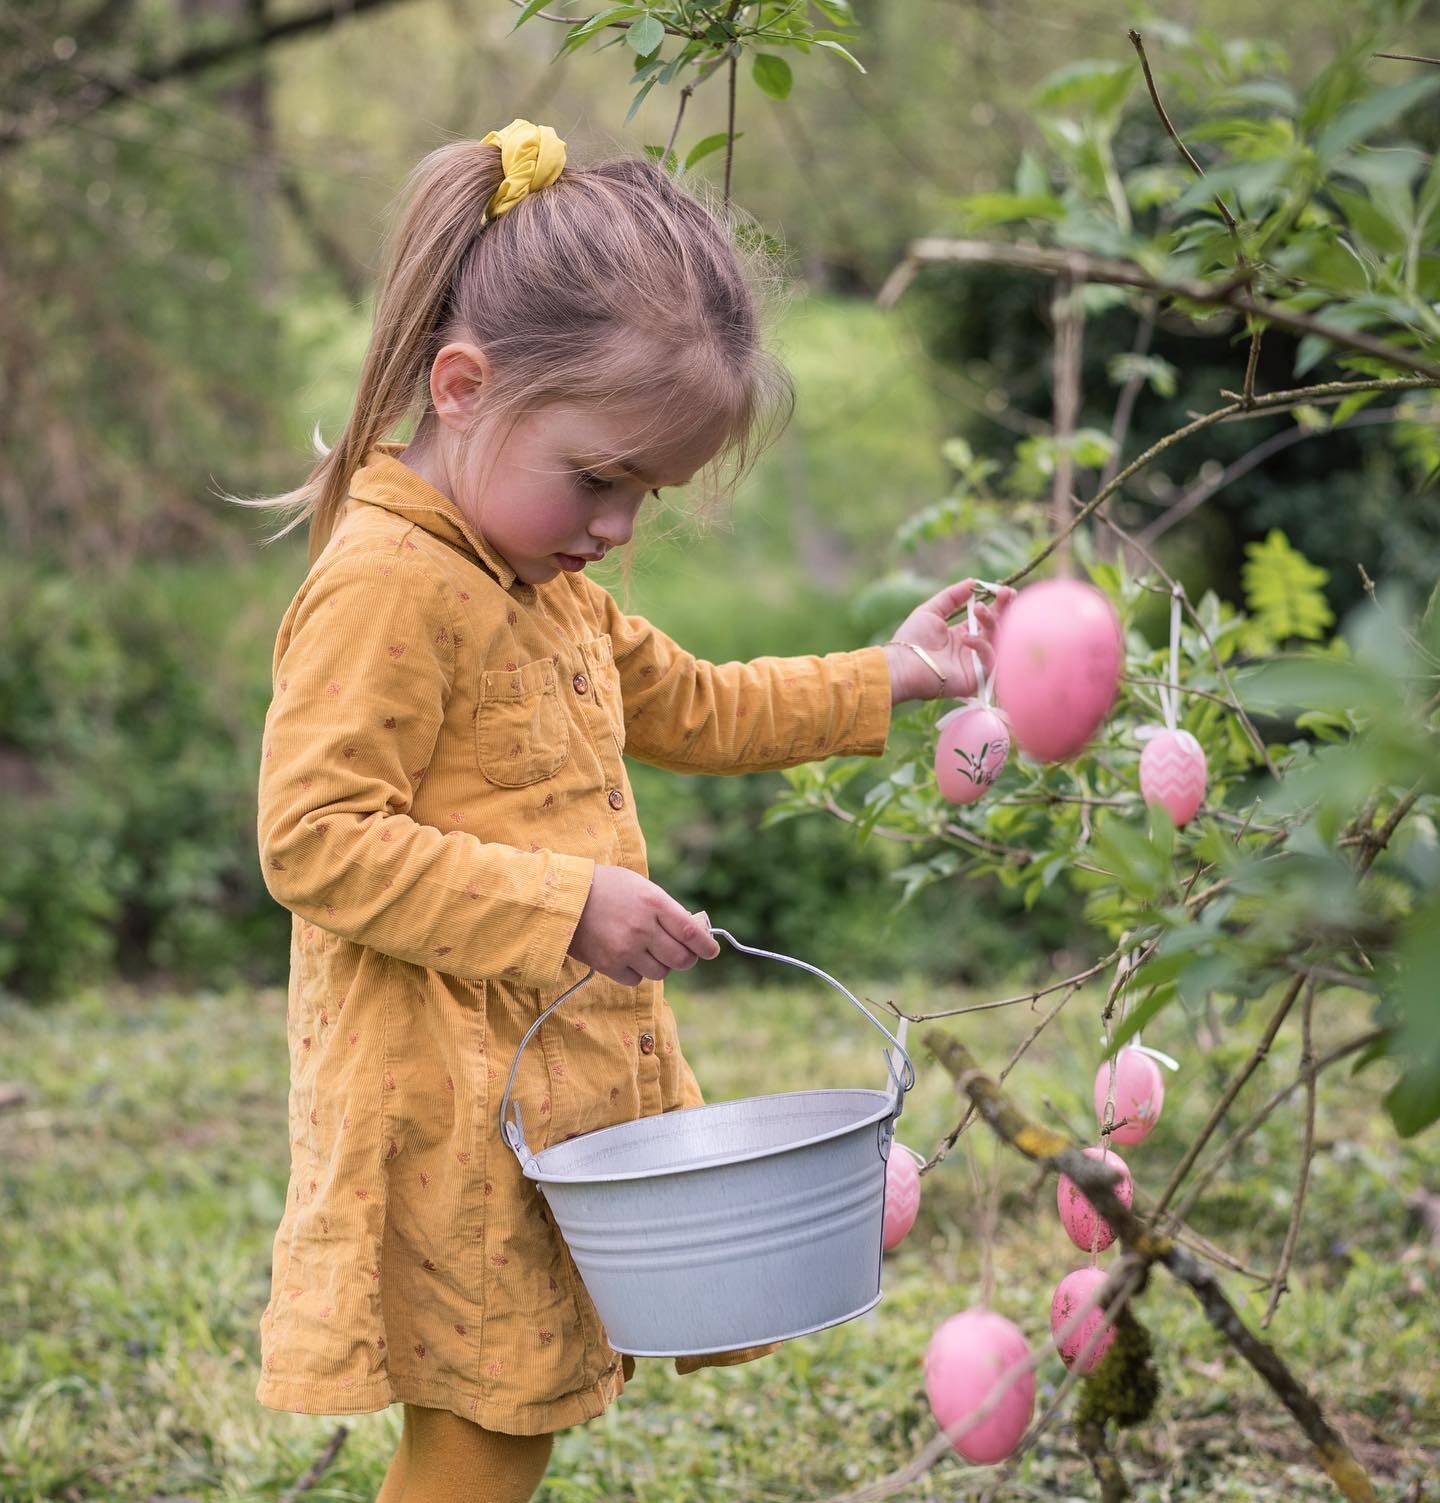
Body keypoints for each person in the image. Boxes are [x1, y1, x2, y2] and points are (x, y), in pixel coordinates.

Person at [232, 119, 1010, 1503]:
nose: (615, 530)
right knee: (486, 1420)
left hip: (532, 1077)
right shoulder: (390, 584)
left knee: (511, 1405)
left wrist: (891, 674)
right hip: (438, 1085)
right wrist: (563, 904)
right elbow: (313, 836)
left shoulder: (542, 583)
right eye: (597, 479)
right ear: (463, 387)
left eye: (644, 496)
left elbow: (697, 705)